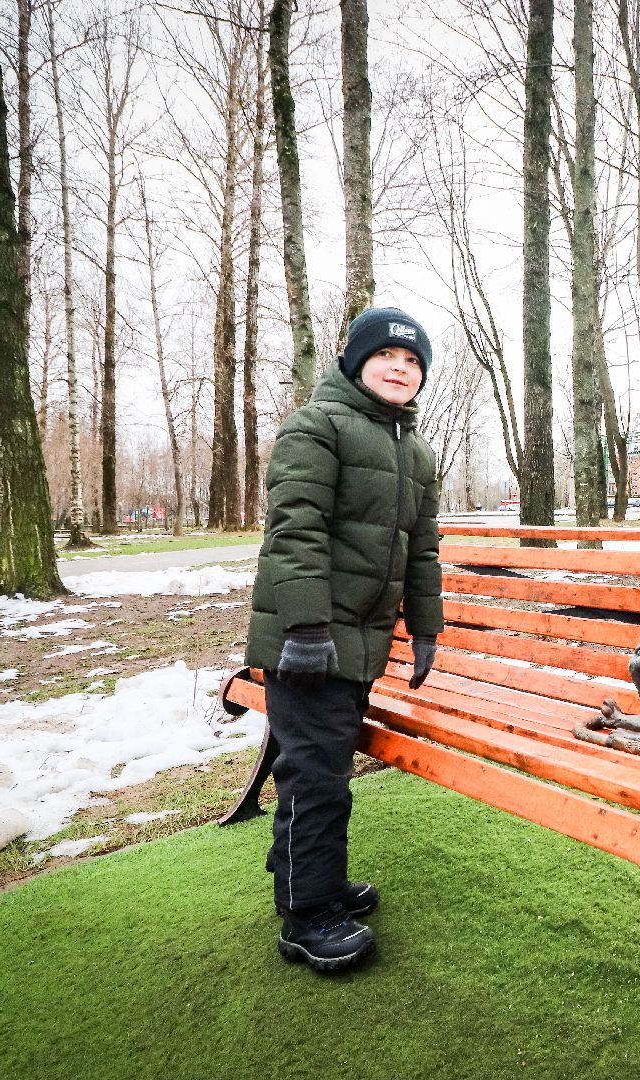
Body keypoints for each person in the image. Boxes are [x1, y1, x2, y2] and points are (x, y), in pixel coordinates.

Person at [244, 306, 442, 974]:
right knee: (318, 778)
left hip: (361, 645)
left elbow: (422, 552)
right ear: (355, 361)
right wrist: (303, 627)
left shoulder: (413, 452)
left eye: (413, 360)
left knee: (321, 767)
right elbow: (294, 529)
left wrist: (427, 629)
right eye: (387, 354)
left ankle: (312, 885)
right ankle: (306, 918)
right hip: (308, 641)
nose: (400, 367)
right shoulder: (316, 426)